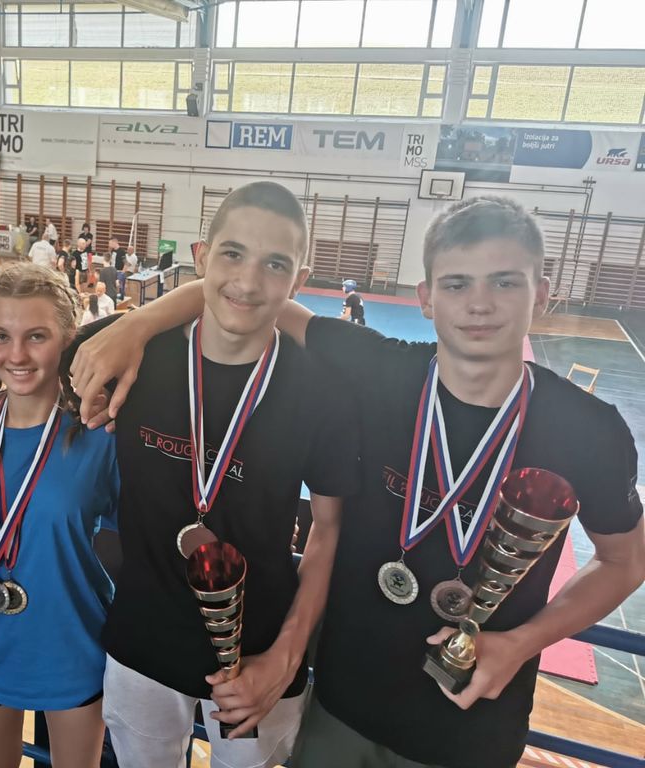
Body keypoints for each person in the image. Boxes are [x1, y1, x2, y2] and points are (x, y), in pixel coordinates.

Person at [70, 196, 645, 768]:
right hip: (342, 710)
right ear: (426, 297)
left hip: (470, 724)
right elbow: (243, 294)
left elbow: (625, 561)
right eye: (456, 284)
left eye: (505, 282)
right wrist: (138, 323)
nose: (479, 304)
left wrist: (522, 642)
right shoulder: (378, 371)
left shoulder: (589, 431)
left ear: (541, 293)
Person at [70, 182, 360, 768]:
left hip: (258, 656)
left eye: (274, 264)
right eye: (232, 254)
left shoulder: (323, 392)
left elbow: (328, 530)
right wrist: (136, 324)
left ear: (298, 280)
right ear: (200, 257)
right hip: (143, 642)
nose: (248, 282)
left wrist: (285, 658)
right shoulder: (130, 356)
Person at [0, 262, 119, 768]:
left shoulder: (101, 433)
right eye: (1, 336)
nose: (17, 356)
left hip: (73, 648)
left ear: (67, 338)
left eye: (37, 336)